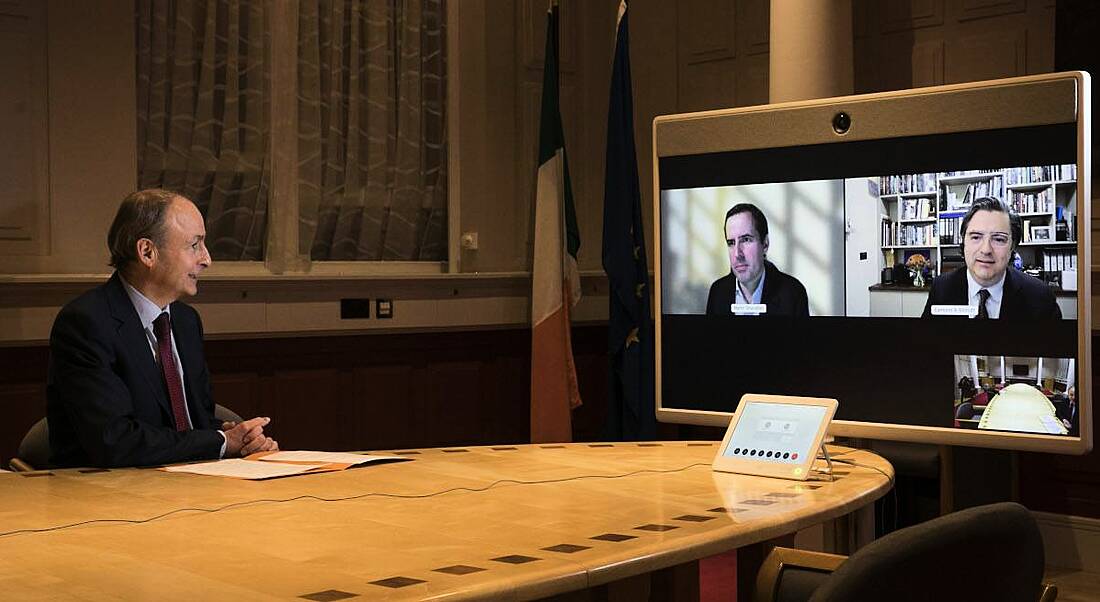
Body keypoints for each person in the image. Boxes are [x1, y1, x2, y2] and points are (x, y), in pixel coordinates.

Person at [47, 189, 278, 468]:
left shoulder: (185, 321)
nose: (206, 259)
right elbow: (115, 441)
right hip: (110, 496)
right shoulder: (86, 323)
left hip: (189, 484)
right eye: (194, 245)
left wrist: (238, 438)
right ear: (147, 252)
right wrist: (220, 442)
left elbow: (190, 422)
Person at [921, 197, 1061, 320]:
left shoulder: (1041, 297)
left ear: (1012, 246)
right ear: (963, 242)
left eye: (999, 239)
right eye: (976, 237)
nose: (986, 250)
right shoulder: (941, 288)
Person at [705, 203, 809, 316]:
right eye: (731, 243)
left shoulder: (793, 293)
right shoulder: (717, 292)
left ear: (765, 244)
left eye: (746, 239)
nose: (737, 254)